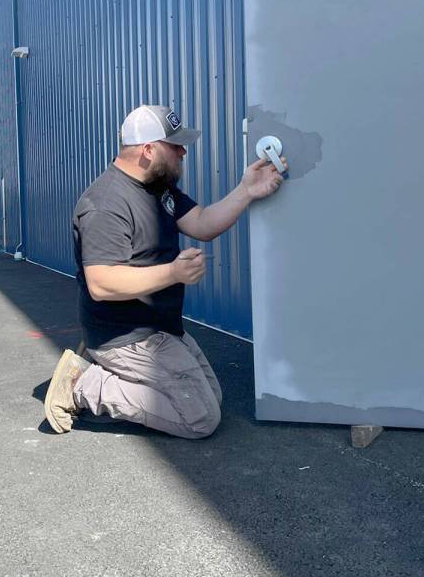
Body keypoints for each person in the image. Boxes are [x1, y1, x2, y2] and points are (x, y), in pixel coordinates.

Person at [44, 104, 286, 439]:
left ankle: (109, 373)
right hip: (125, 336)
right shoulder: (106, 203)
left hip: (160, 329)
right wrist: (173, 273)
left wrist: (247, 190)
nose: (183, 151)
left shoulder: (159, 188)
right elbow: (101, 283)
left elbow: (202, 223)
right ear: (148, 150)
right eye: (175, 146)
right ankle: (84, 385)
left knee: (211, 398)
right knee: (200, 420)